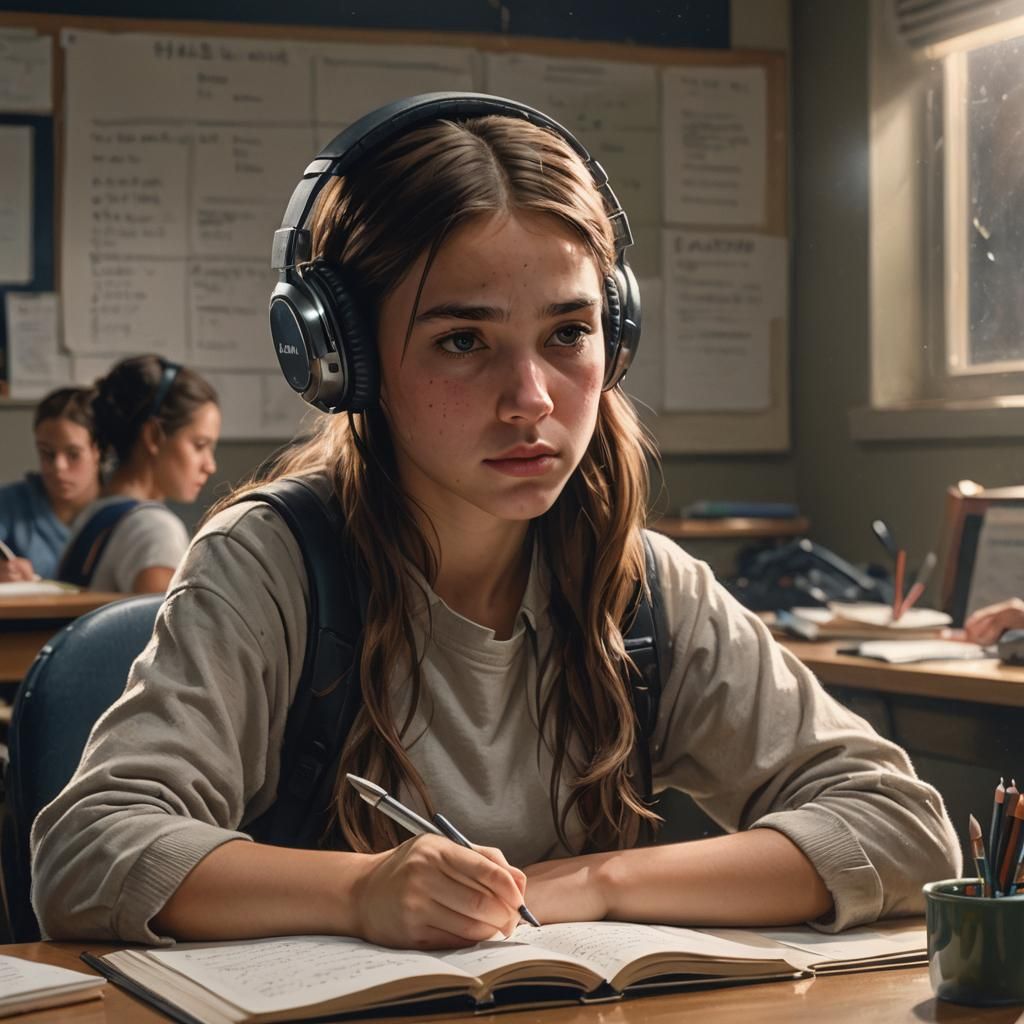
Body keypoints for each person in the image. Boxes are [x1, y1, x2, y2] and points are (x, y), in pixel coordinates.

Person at [32, 96, 959, 950]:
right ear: (346, 362)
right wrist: (361, 893)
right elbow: (88, 853)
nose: (531, 400)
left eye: (568, 334)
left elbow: (904, 829)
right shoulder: (270, 567)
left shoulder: (642, 585)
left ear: (615, 335)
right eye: (462, 341)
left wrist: (596, 881)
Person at [57, 355, 220, 594]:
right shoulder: (155, 529)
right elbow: (164, 630)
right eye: (199, 445)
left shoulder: (93, 515)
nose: (210, 465)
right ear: (153, 436)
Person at [0, 387, 101, 582]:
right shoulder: (10, 503)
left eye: (73, 454)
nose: (58, 467)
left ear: (97, 451)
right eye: (47, 453)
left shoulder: (122, 512)